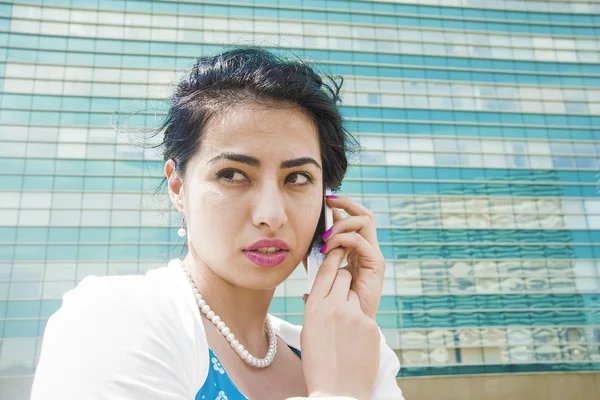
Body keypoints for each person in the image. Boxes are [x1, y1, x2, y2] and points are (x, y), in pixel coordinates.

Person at [30, 48, 404, 400]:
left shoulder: (343, 347)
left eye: (298, 178)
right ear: (178, 186)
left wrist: (352, 322)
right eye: (232, 174)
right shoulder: (115, 316)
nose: (271, 215)